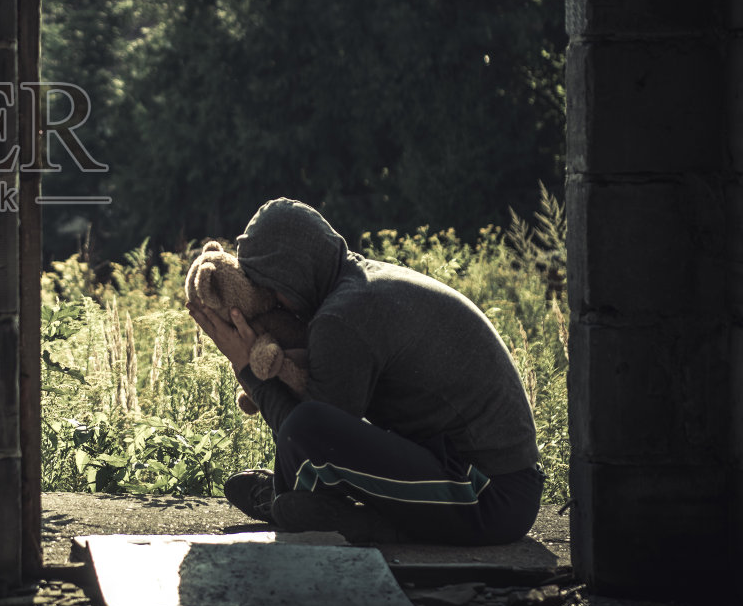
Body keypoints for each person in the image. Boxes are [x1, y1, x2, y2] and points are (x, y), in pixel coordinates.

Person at [187, 197, 543, 545]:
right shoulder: (358, 284)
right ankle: (300, 498)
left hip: (489, 497)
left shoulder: (342, 318)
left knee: (304, 429)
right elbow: (342, 435)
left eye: (274, 293)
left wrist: (247, 367)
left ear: (295, 273)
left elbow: (312, 435)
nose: (276, 306)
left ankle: (348, 519)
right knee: (312, 432)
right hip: (484, 479)